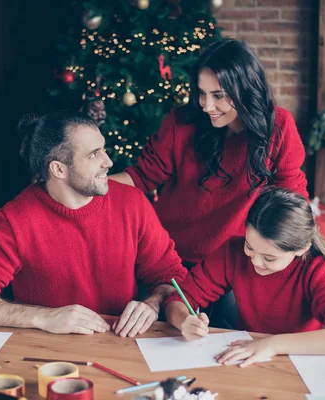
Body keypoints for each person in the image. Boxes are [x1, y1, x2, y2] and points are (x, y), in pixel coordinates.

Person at [110, 38, 308, 327]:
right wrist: (85, 182)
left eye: (218, 95)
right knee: (164, 334)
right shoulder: (182, 122)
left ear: (246, 90)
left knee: (228, 339)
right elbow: (141, 176)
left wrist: (305, 255)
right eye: (201, 93)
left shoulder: (278, 126)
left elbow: (292, 198)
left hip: (233, 260)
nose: (206, 105)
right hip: (171, 255)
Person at [0, 111, 188, 338]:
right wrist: (43, 317)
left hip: (120, 344)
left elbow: (172, 276)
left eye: (103, 149)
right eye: (94, 154)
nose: (108, 162)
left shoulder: (132, 203)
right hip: (46, 351)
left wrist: (153, 304)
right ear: (59, 169)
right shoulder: (14, 220)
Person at [164, 187, 325, 367]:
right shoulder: (232, 252)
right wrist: (184, 321)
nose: (256, 262)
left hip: (300, 362)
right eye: (249, 247)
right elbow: (176, 299)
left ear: (302, 248)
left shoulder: (319, 269)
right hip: (245, 360)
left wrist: (271, 345)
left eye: (270, 257)